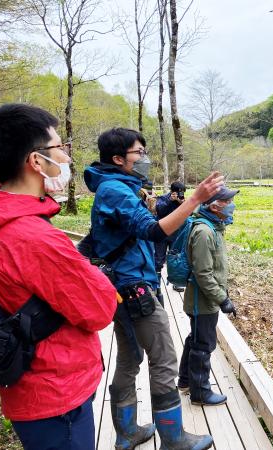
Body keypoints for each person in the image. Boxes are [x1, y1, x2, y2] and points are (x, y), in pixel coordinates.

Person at [84, 127, 222, 450]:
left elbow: (96, 240)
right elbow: (153, 231)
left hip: (123, 287)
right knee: (164, 358)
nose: (145, 158)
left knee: (130, 358)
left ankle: (127, 433)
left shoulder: (117, 188)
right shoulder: (116, 191)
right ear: (118, 159)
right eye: (139, 153)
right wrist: (196, 200)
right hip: (134, 289)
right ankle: (174, 439)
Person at [0, 103, 117, 450]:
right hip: (56, 392)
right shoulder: (35, 238)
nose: (65, 156)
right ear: (35, 161)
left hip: (25, 388)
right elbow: (99, 309)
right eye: (60, 147)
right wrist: (94, 275)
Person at [177, 186, 239, 405]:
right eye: (227, 201)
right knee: (203, 344)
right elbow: (203, 273)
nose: (231, 205)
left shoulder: (214, 227)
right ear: (214, 206)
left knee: (195, 338)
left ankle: (185, 382)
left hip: (205, 298)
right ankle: (200, 392)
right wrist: (222, 299)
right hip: (202, 301)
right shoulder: (204, 232)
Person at [155, 181, 187, 294]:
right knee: (158, 260)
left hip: (176, 235)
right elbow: (159, 211)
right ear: (172, 192)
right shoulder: (163, 198)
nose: (180, 194)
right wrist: (170, 201)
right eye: (178, 192)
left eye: (182, 193)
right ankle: (156, 285)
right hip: (162, 234)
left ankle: (176, 283)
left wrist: (182, 203)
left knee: (176, 259)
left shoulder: (183, 200)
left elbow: (190, 214)